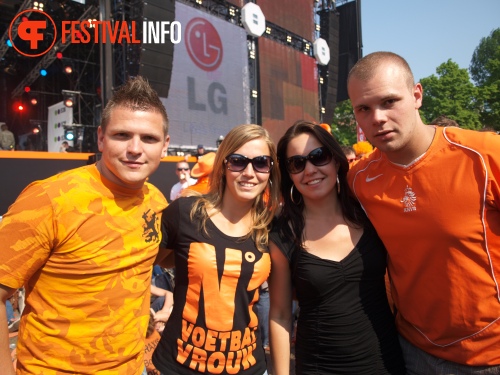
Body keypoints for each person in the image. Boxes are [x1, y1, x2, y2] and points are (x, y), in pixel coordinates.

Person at [0, 76, 170, 375]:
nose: (135, 148)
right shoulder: (50, 198)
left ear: (164, 146)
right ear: (101, 138)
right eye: (122, 135)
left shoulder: (155, 202)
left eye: (149, 138)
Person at [347, 51, 500, 373]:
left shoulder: (484, 155)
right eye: (364, 108)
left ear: (417, 95)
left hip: (491, 355)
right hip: (412, 350)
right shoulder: (358, 179)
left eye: (389, 102)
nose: (377, 117)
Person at [269, 120, 405, 375]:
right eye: (297, 163)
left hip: (386, 361)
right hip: (319, 366)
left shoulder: (370, 212)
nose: (309, 169)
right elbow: (280, 315)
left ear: (335, 160)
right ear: (289, 174)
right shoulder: (283, 234)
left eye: (318, 156)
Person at [152, 124, 281, 375]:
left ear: (271, 171)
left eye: (261, 163)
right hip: (179, 366)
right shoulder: (185, 212)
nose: (249, 172)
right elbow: (144, 267)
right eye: (238, 161)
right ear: (223, 164)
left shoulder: (272, 227)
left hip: (249, 367)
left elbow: (281, 309)